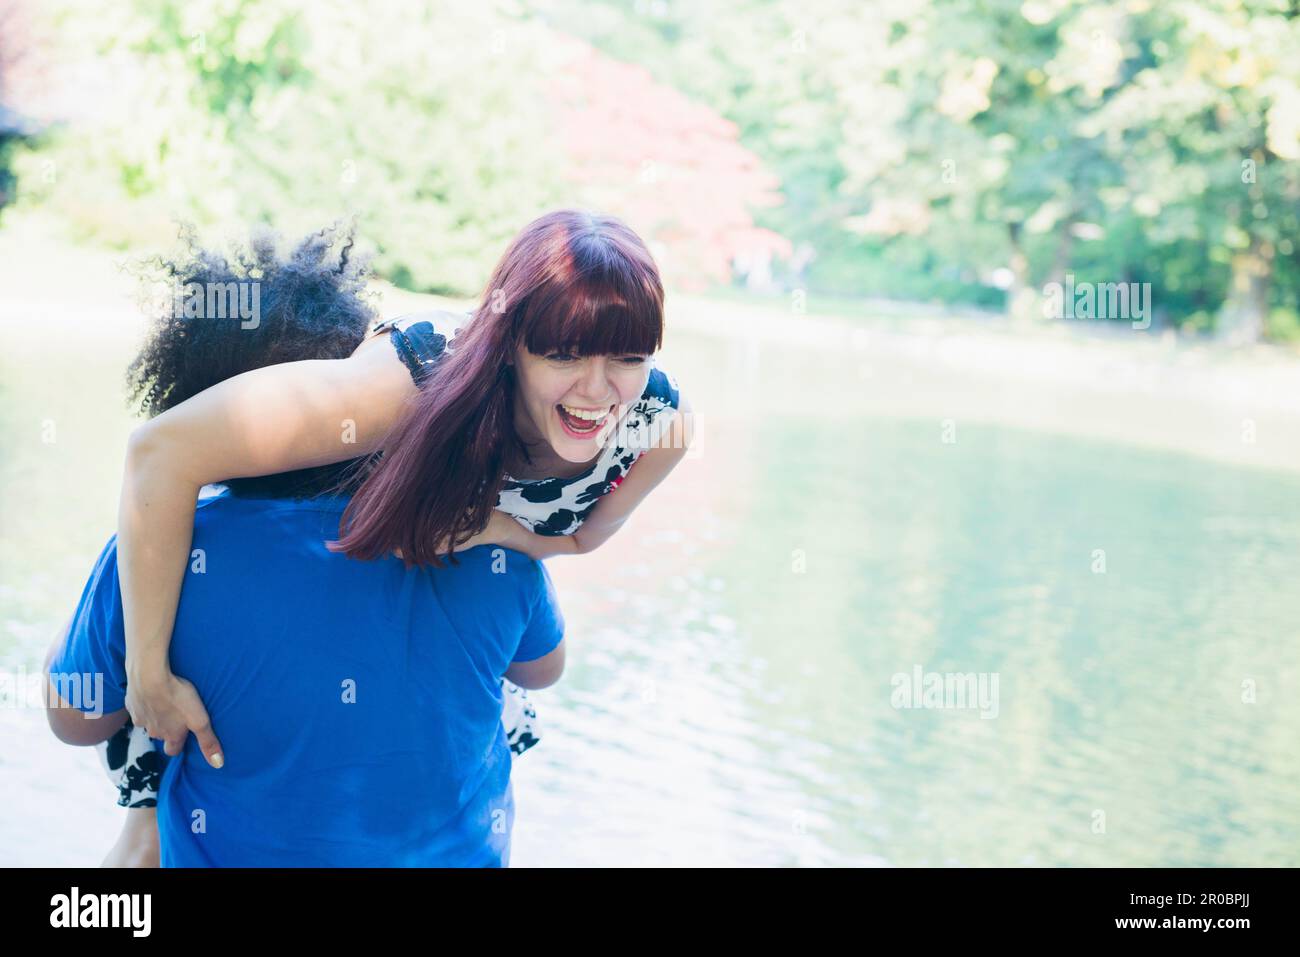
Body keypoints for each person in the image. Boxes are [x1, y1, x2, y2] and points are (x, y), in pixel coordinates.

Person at [44, 473, 565, 866]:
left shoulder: (161, 552)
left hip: (216, 818)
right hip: (456, 843)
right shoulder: (483, 539)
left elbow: (76, 719)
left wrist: (77, 635)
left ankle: (145, 824)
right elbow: (544, 670)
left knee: (140, 672)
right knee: (502, 687)